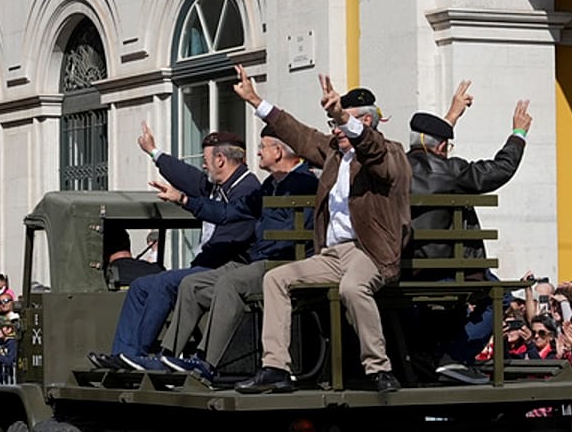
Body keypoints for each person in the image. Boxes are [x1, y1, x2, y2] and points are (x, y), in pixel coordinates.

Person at [231, 68, 411, 394]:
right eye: (335, 124)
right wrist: (256, 100)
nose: (337, 130)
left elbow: (374, 152)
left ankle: (379, 368)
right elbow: (297, 133)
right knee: (276, 279)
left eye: (343, 123)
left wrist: (343, 116)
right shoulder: (334, 153)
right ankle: (275, 368)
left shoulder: (390, 152)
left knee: (352, 289)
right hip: (333, 253)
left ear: (365, 122)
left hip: (369, 251)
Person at [90, 127, 259, 372]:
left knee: (165, 282)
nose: (203, 166)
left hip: (225, 266)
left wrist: (184, 200)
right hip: (208, 264)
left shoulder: (247, 189)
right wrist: (153, 152)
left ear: (220, 160)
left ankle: (140, 355)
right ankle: (122, 355)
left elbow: (229, 233)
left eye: (206, 161)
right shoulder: (217, 185)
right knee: (140, 287)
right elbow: (186, 176)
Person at [156, 126, 319, 380]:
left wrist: (259, 246)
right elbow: (227, 213)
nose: (257, 152)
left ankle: (206, 362)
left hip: (282, 264)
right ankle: (167, 356)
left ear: (278, 151)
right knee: (192, 284)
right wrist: (184, 200)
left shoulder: (305, 183)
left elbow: (295, 235)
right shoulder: (269, 185)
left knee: (229, 284)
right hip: (259, 260)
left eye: (263, 146)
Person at [405, 98, 531, 378]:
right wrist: (518, 134)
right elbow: (499, 170)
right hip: (447, 272)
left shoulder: (394, 169)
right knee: (501, 296)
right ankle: (454, 357)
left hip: (405, 270)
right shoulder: (451, 171)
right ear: (441, 147)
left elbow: (431, 147)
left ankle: (422, 357)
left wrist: (451, 117)